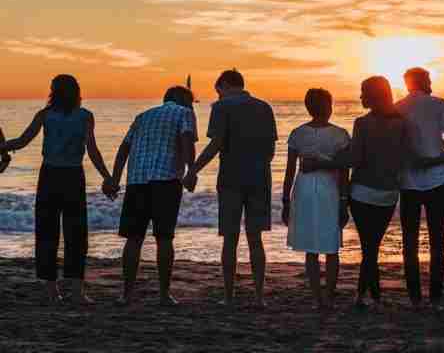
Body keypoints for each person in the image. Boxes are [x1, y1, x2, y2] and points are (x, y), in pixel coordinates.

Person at [0, 75, 114, 305]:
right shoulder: (85, 116)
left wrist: (2, 147)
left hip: (50, 176)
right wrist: (107, 176)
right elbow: (92, 151)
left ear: (54, 92)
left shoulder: (45, 115)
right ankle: (76, 292)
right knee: (76, 234)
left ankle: (52, 292)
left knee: (46, 232)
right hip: (73, 177)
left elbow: (22, 141)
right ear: (76, 91)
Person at [302, 76, 407, 309]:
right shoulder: (401, 122)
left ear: (372, 95)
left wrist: (322, 162)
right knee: (372, 247)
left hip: (362, 193)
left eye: (363, 92)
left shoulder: (362, 123)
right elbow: (404, 157)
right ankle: (365, 296)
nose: (360, 97)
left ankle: (371, 297)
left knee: (369, 248)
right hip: (388, 194)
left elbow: (353, 159)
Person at [183, 70, 278, 308]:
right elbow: (271, 151)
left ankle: (228, 297)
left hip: (231, 178)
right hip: (260, 178)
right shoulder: (265, 107)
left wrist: (193, 169)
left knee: (230, 239)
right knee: (255, 239)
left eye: (219, 91)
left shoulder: (221, 107)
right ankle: (259, 297)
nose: (219, 96)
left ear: (225, 85)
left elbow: (216, 144)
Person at [108, 86, 198, 307]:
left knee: (133, 238)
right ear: (183, 100)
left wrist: (114, 178)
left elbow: (123, 148)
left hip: (137, 180)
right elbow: (186, 139)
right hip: (166, 180)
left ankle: (126, 294)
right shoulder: (184, 113)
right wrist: (191, 170)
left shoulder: (143, 116)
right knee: (164, 238)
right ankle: (164, 295)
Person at [395, 67, 444, 311]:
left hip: (408, 182)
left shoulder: (398, 107)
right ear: (424, 81)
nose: (431, 82)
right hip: (437, 180)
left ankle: (414, 298)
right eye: (429, 78)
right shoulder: (439, 104)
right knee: (437, 241)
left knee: (409, 241)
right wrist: (436, 148)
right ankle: (435, 297)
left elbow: (398, 143)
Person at [282, 89, 350, 310]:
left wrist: (285, 200)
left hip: (304, 189)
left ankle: (316, 298)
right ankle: (329, 297)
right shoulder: (340, 134)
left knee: (311, 248)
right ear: (329, 107)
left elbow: (290, 171)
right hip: (329, 188)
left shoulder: (297, 133)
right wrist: (344, 200)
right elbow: (344, 170)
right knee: (331, 246)